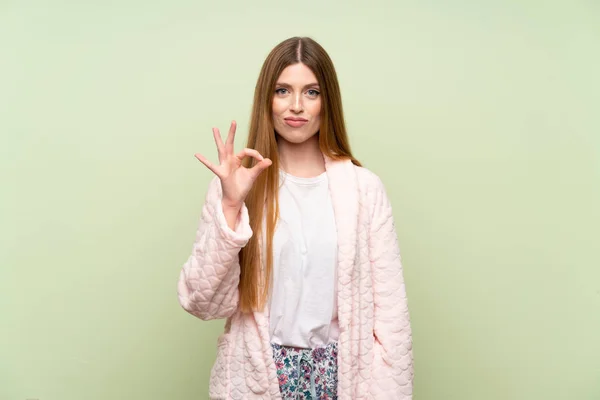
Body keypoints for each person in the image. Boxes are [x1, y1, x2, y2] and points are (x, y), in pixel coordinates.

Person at [177, 36, 413, 399]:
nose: (297, 106)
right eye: (283, 90)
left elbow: (391, 319)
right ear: (266, 99)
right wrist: (230, 206)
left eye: (312, 92)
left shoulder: (365, 190)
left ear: (327, 101)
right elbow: (203, 303)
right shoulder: (236, 186)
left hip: (343, 378)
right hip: (258, 375)